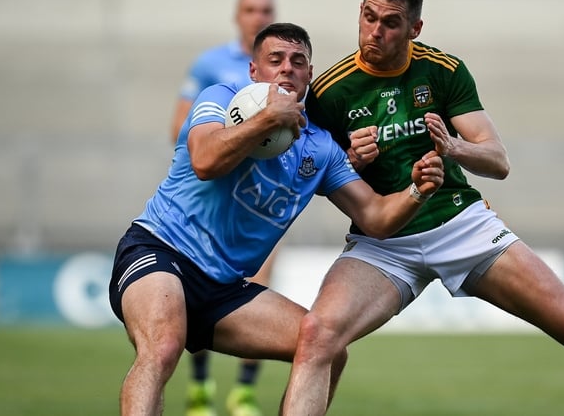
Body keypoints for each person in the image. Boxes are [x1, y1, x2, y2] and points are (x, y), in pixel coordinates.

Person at [281, 0, 564, 416]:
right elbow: (313, 179)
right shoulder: (329, 93)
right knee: (317, 335)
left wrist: (453, 147)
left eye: (390, 23)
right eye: (369, 16)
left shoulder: (443, 70)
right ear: (360, 11)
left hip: (460, 225)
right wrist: (350, 163)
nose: (375, 31)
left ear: (415, 29)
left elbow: (498, 160)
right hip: (383, 244)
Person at [109, 22, 445, 416]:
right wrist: (269, 118)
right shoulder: (220, 97)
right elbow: (204, 161)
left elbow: (375, 216)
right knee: (163, 346)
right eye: (275, 59)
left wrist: (418, 189)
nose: (287, 67)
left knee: (327, 348)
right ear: (254, 71)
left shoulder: (320, 147)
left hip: (225, 289)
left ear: (309, 76)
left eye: (298, 61)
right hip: (161, 251)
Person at [170, 0, 277, 416]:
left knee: (260, 287)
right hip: (212, 201)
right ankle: (199, 388)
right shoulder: (210, 65)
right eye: (250, 9)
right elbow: (181, 127)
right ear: (237, 16)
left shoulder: (281, 68)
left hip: (259, 206)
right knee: (197, 291)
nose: (258, 16)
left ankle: (245, 393)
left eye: (266, 10)